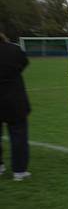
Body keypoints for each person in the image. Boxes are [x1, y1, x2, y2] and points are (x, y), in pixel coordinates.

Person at [0, 32, 31, 181]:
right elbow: (24, 63)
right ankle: (19, 170)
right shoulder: (14, 50)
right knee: (18, 135)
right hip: (14, 98)